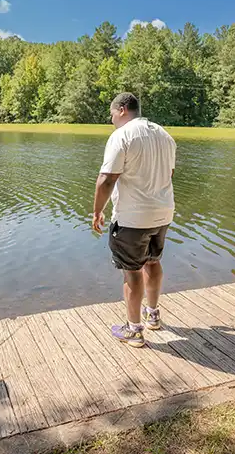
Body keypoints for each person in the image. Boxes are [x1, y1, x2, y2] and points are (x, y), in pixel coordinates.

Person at [93, 92, 177, 348]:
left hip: (132, 218)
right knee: (152, 263)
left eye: (111, 115)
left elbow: (107, 179)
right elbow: (170, 173)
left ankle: (133, 330)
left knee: (132, 272)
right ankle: (152, 315)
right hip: (162, 213)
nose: (111, 120)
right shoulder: (165, 135)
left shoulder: (122, 135)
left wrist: (97, 212)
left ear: (121, 110)